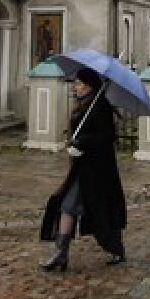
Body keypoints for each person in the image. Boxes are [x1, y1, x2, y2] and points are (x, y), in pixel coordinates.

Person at [40, 68, 127, 271]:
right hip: (81, 168)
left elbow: (107, 137)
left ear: (89, 86)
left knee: (100, 210)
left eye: (78, 83)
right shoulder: (83, 105)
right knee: (67, 206)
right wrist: (74, 142)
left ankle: (115, 248)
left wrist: (82, 142)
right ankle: (61, 253)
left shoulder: (100, 106)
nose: (75, 87)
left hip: (98, 171)